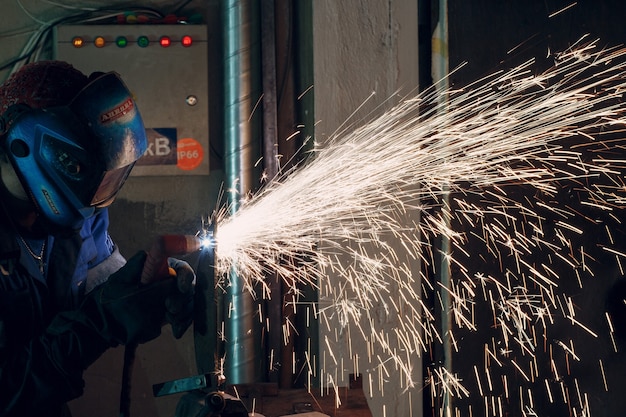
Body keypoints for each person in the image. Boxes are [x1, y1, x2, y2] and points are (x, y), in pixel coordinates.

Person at [0, 61, 195, 417]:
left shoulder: (76, 215)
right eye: (85, 176)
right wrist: (97, 325)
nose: (96, 200)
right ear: (26, 147)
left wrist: (145, 284)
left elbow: (102, 282)